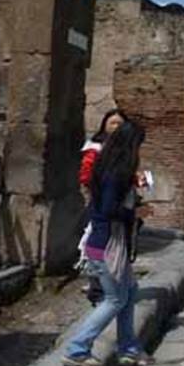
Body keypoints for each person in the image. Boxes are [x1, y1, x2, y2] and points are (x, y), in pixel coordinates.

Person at [63, 121, 150, 366]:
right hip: (105, 244)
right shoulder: (115, 174)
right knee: (114, 299)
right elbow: (108, 209)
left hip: (108, 243)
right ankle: (77, 349)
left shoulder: (108, 168)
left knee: (130, 291)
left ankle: (128, 348)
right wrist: (135, 212)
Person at [78, 108, 127, 305]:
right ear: (105, 125)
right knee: (99, 238)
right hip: (102, 200)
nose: (116, 127)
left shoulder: (123, 150)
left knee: (116, 244)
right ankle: (97, 287)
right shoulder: (95, 148)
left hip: (118, 200)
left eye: (120, 124)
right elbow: (86, 175)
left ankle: (112, 284)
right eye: (113, 123)